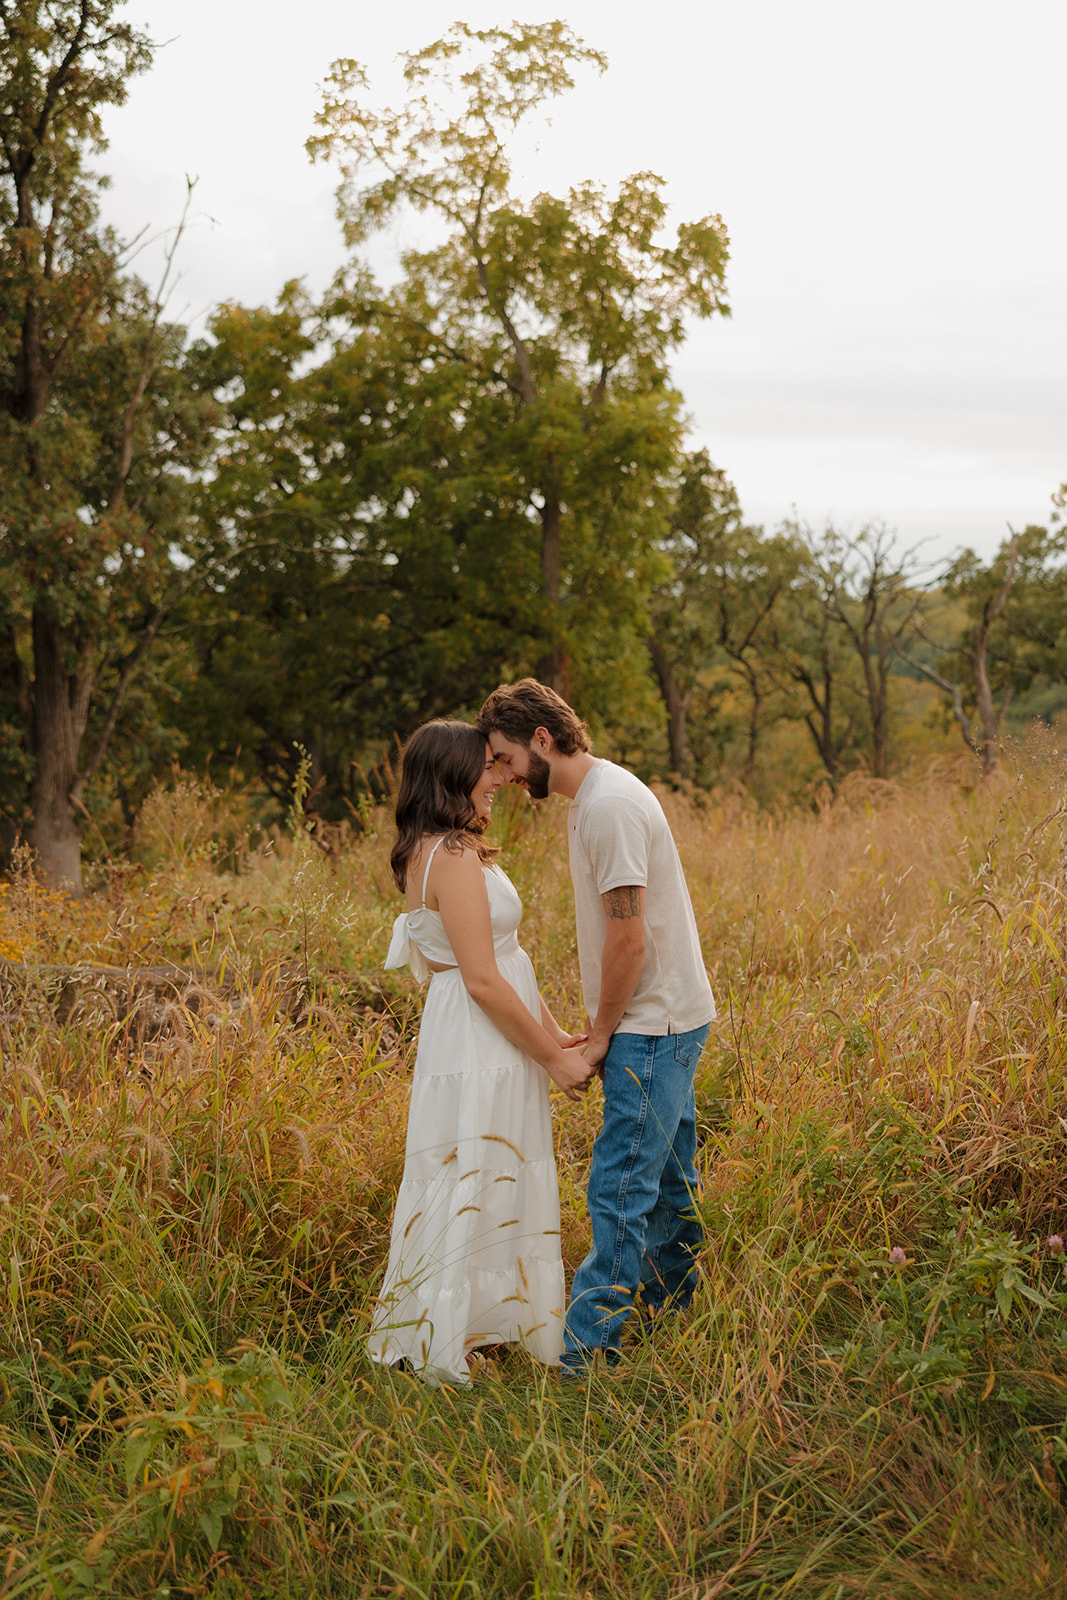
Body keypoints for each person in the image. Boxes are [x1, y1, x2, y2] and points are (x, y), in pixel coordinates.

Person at [476, 680, 716, 1375]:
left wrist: (603, 1032)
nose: (507, 776)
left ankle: (586, 1353)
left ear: (541, 739)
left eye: (506, 757)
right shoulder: (595, 798)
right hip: (664, 1015)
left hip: (653, 1024)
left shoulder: (607, 806)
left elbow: (628, 940)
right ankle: (673, 1309)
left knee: (619, 1185)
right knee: (668, 1177)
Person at [368, 719, 594, 1386]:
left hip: (486, 1029)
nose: (500, 779)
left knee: (490, 1162)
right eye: (487, 768)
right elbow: (484, 979)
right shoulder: (452, 857)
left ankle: (480, 1320)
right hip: (476, 1034)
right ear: (451, 776)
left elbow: (508, 961)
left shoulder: (446, 848)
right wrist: (553, 1061)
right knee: (475, 1165)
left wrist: (554, 1035)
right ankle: (449, 1335)